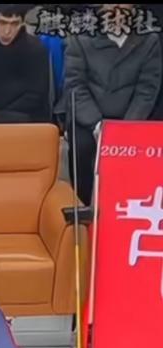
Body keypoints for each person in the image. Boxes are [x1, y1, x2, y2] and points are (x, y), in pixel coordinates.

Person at [65, 2, 162, 205]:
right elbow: (75, 86)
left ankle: (126, 205)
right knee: (82, 147)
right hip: (90, 119)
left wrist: (125, 128)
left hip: (131, 118)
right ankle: (84, 206)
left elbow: (147, 90)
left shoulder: (148, 40)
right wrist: (97, 125)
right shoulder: (81, 38)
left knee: (140, 149)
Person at [0, 4, 51, 124]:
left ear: (23, 22)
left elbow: (37, 96)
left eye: (14, 24)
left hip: (28, 120)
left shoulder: (36, 50)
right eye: (2, 22)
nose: (7, 31)